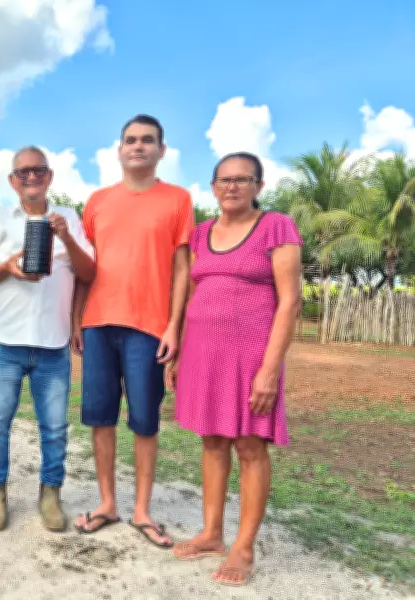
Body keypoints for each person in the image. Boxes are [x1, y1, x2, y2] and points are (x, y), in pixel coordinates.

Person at [167, 152, 303, 586]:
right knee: (211, 440)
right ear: (212, 187)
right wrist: (181, 352)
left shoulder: (276, 226)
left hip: (251, 356)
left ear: (259, 186)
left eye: (242, 179)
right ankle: (211, 533)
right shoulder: (201, 233)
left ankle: (243, 547)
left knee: (249, 445)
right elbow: (191, 294)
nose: (232, 187)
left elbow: (291, 300)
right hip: (204, 354)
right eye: (223, 180)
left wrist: (269, 370)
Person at [71, 115, 194, 547]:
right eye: (130, 140)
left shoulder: (178, 200)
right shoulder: (98, 201)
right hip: (99, 323)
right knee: (99, 418)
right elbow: (84, 269)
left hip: (149, 326)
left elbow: (183, 267)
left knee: (145, 421)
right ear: (119, 150)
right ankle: (108, 503)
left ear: (162, 149)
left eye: (147, 140)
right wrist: (76, 320)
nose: (138, 146)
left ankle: (142, 510)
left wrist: (174, 326)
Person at [0, 146, 95, 532]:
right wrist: (8, 267)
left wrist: (66, 239)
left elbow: (89, 272)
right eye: (22, 172)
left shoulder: (69, 219)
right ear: (12, 180)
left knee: (55, 426)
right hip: (3, 341)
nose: (30, 177)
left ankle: (50, 494)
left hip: (53, 342)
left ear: (49, 176)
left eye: (38, 171)